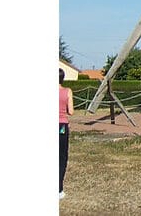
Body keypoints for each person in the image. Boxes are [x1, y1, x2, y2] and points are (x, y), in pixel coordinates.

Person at [59, 68, 74, 200]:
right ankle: (59, 189)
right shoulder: (67, 91)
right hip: (61, 126)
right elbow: (71, 111)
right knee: (61, 156)